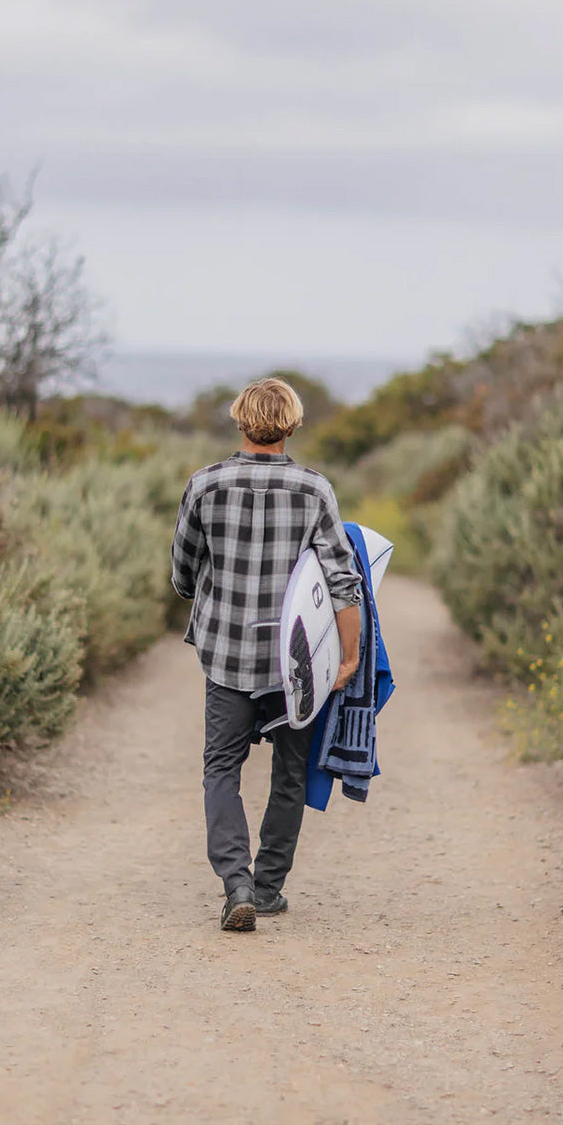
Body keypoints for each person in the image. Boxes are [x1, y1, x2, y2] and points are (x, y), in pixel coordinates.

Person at [171, 377, 362, 931]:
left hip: (227, 656)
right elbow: (342, 581)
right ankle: (268, 887)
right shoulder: (315, 489)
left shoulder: (204, 484)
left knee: (221, 767)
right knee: (290, 770)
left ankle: (237, 886)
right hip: (296, 666)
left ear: (239, 420)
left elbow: (182, 575)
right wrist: (348, 657)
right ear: (293, 424)